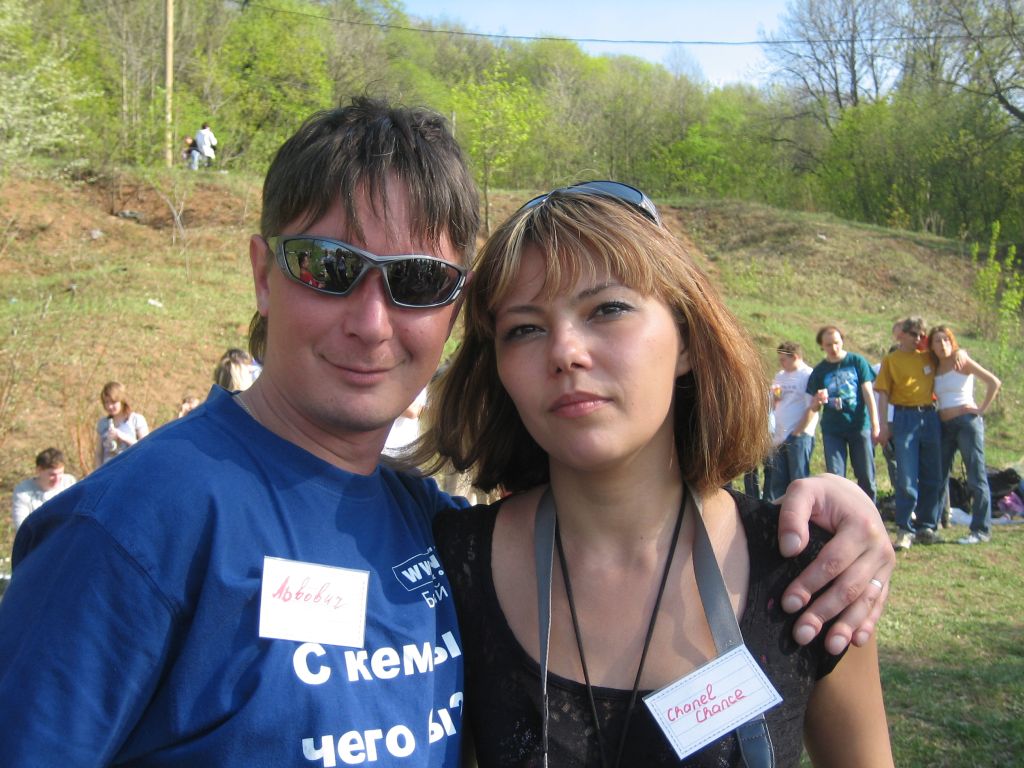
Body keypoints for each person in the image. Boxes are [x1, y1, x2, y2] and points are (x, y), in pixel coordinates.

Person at [0, 100, 892, 767]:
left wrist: (841, 510)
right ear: (264, 274)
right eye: (329, 267)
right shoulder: (132, 528)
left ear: (453, 313)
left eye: (418, 281)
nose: (371, 322)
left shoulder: (431, 532)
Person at [422, 183, 894, 767]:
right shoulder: (451, 567)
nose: (565, 351)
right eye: (524, 328)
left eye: (608, 309)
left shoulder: (814, 571)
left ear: (687, 341)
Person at [874, 317, 943, 550]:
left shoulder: (928, 357)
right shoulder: (891, 360)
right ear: (901, 334)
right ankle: (905, 528)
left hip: (930, 416)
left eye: (922, 335)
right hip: (904, 417)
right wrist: (883, 425)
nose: (918, 339)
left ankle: (927, 526)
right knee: (906, 476)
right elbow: (883, 394)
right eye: (914, 334)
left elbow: (949, 354)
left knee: (932, 474)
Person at [929, 325, 1002, 545]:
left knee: (975, 476)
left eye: (946, 340)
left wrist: (980, 409)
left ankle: (980, 530)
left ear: (952, 342)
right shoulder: (934, 366)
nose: (942, 344)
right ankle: (932, 526)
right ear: (931, 345)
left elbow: (993, 382)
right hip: (944, 425)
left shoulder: (961, 361)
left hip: (966, 423)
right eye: (937, 341)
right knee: (939, 475)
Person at [806, 326, 880, 502]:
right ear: (821, 346)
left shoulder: (857, 362)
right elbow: (814, 407)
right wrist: (817, 401)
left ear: (842, 341)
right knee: (836, 478)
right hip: (833, 429)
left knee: (866, 475)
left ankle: (870, 512)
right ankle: (840, 513)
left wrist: (875, 424)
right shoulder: (820, 370)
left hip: (859, 425)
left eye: (836, 343)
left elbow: (868, 394)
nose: (833, 348)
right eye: (828, 344)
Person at [768, 342, 818, 501]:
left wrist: (798, 432)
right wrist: (775, 397)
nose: (781, 363)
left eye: (783, 359)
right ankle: (778, 513)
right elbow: (774, 402)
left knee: (798, 480)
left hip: (798, 434)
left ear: (795, 357)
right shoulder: (780, 376)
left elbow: (812, 406)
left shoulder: (808, 375)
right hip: (779, 435)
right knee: (778, 481)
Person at [10, 448, 76, 532]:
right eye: (52, 475)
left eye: (60, 473)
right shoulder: (23, 491)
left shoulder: (69, 483)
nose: (57, 479)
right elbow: (22, 527)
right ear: (39, 470)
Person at [95, 380, 150, 466]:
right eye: (106, 402)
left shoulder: (136, 420)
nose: (109, 406)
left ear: (122, 401)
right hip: (110, 471)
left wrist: (122, 436)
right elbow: (98, 454)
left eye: (113, 402)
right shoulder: (103, 424)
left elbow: (146, 449)